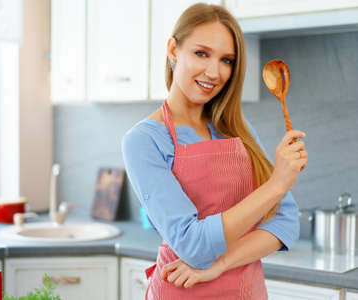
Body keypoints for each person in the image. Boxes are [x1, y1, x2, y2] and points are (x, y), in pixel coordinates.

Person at [121, 3, 308, 300]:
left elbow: (285, 222)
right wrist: (276, 185)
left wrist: (220, 264)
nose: (214, 72)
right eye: (201, 53)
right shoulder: (145, 140)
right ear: (173, 49)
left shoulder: (237, 129)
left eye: (227, 60)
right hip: (182, 290)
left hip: (247, 291)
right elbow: (192, 245)